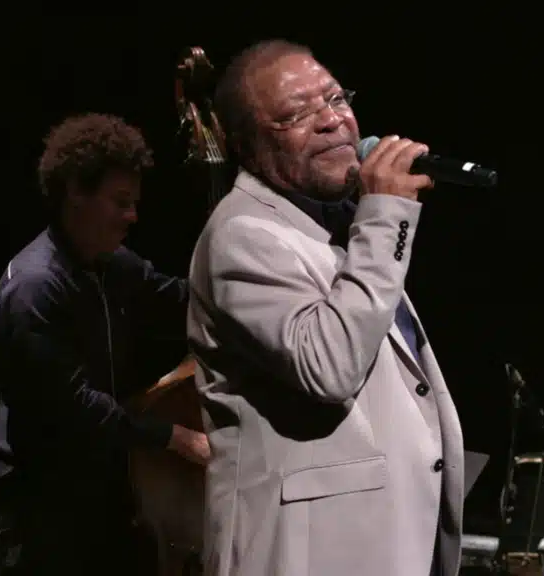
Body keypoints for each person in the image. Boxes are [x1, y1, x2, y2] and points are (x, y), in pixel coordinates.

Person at [186, 39, 465, 576]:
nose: (332, 121)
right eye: (296, 115)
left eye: (336, 99)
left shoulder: (332, 226)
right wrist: (386, 214)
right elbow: (328, 367)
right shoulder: (242, 233)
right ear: (246, 146)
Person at [0, 113, 211, 575]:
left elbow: (174, 299)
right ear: (75, 193)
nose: (133, 216)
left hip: (100, 483)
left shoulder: (111, 262)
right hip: (43, 500)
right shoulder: (35, 288)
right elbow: (76, 408)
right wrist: (174, 436)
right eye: (121, 202)